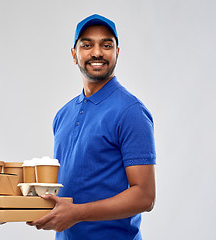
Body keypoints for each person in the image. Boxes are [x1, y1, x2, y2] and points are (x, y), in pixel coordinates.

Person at [27, 14, 156, 240]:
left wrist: (77, 213)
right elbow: (69, 189)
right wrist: (10, 208)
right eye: (87, 45)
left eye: (106, 45)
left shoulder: (131, 111)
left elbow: (145, 197)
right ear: (74, 54)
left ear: (117, 52)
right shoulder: (62, 115)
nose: (97, 52)